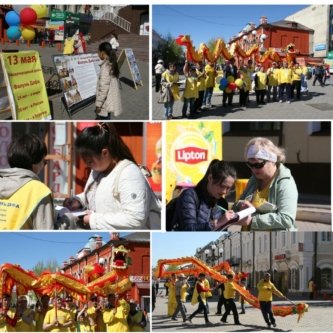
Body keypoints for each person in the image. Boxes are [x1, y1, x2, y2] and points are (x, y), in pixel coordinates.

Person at [63, 123, 152, 230]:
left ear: (105, 153)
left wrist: (92, 219)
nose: (87, 165)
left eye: (90, 161)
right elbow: (97, 192)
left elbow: (135, 219)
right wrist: (79, 201)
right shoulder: (98, 169)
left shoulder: (129, 174)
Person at [236, 137, 298, 231]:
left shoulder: (285, 182)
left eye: (258, 165)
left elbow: (286, 219)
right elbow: (239, 204)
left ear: (272, 160)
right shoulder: (254, 179)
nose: (254, 169)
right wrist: (239, 208)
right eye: (250, 165)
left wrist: (252, 220)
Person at [0, 134, 55, 230]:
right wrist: (66, 220)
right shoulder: (40, 191)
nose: (44, 166)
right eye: (44, 162)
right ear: (35, 162)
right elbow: (45, 230)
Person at [172, 159, 237, 231]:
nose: (224, 191)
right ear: (210, 178)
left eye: (228, 188)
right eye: (222, 186)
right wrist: (217, 223)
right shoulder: (190, 196)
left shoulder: (222, 203)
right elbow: (189, 229)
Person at [95, 42, 122, 119]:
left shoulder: (105, 67)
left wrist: (98, 104)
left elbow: (103, 88)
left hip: (104, 103)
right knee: (107, 118)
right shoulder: (111, 63)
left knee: (103, 120)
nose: (97, 54)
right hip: (109, 100)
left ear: (102, 53)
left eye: (98, 52)